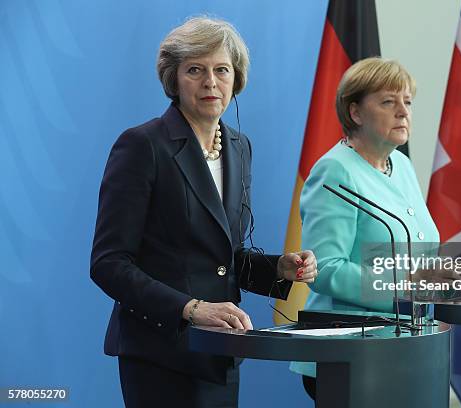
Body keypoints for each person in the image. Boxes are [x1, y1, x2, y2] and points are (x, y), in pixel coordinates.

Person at [90, 16, 317, 408]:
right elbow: (109, 263)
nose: (211, 81)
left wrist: (279, 268)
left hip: (221, 350)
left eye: (221, 70)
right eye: (195, 70)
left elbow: (223, 259)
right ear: (174, 80)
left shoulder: (238, 146)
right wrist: (190, 309)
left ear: (237, 79)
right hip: (160, 353)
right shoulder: (143, 145)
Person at [289, 57, 461, 400]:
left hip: (408, 343)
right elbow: (325, 269)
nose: (403, 111)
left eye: (408, 102)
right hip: (350, 350)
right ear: (355, 113)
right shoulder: (335, 171)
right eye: (388, 101)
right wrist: (405, 286)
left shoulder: (402, 164)